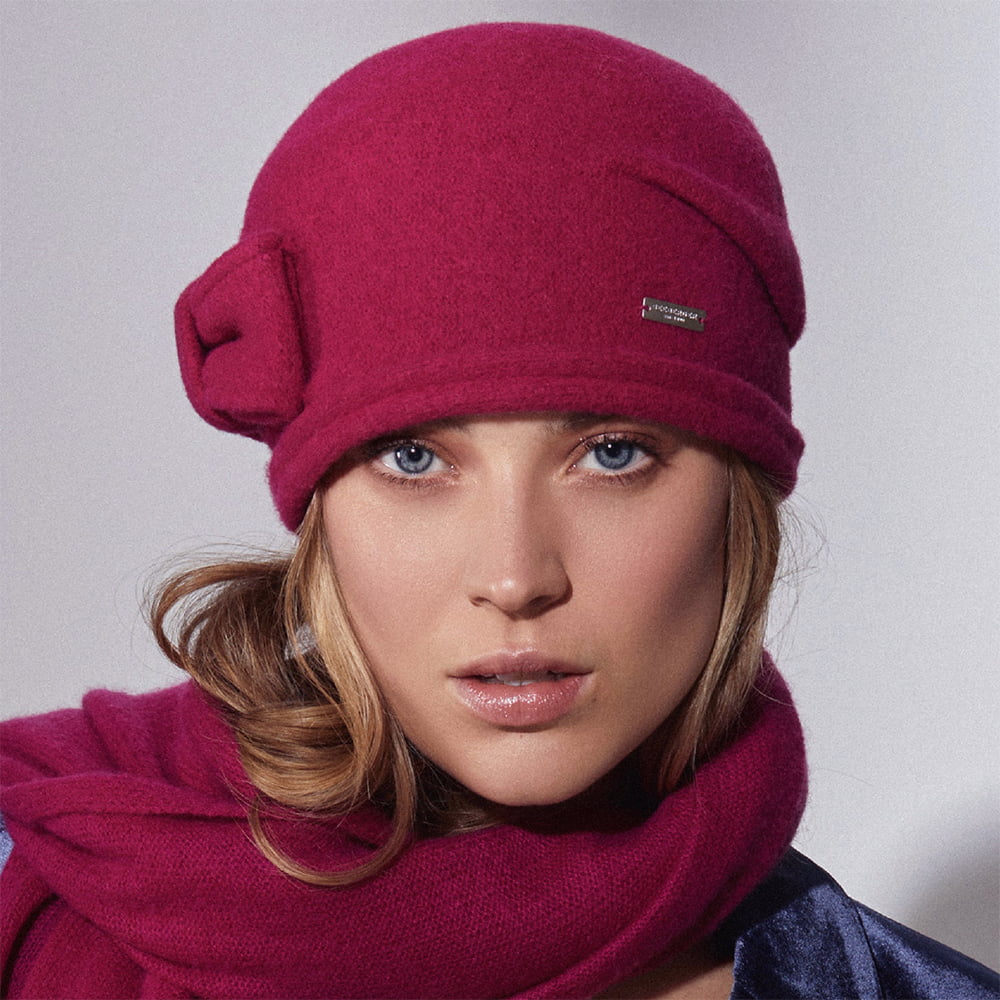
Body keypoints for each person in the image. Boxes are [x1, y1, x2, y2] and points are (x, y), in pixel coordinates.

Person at [1, 22, 996, 1000]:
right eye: (414, 457)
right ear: (319, 511)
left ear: (739, 498)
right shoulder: (34, 863)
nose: (516, 578)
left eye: (612, 455)